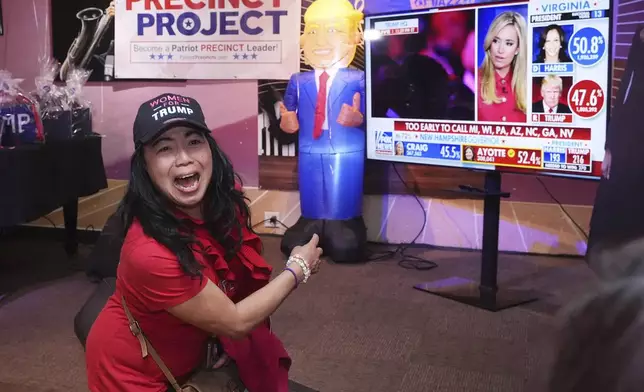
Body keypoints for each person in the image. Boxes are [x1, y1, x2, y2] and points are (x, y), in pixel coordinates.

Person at [85, 93, 324, 392]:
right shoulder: (149, 252)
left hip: (192, 356)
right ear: (144, 166)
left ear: (210, 148)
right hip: (136, 373)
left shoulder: (224, 200)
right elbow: (235, 321)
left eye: (194, 141)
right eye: (165, 148)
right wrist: (298, 268)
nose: (184, 158)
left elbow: (230, 283)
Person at [278, 0, 368, 263]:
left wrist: (359, 118)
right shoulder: (299, 80)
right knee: (312, 192)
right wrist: (286, 122)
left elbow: (377, 116)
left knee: (345, 224)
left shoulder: (358, 79)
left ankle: (345, 222)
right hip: (308, 148)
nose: (321, 40)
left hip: (347, 150)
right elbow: (287, 114)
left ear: (354, 37)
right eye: (314, 31)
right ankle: (313, 221)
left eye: (333, 31)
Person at [477, 11, 528, 123]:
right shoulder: (475, 81)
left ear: (518, 49)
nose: (500, 50)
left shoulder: (530, 86)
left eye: (508, 43)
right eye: (495, 41)